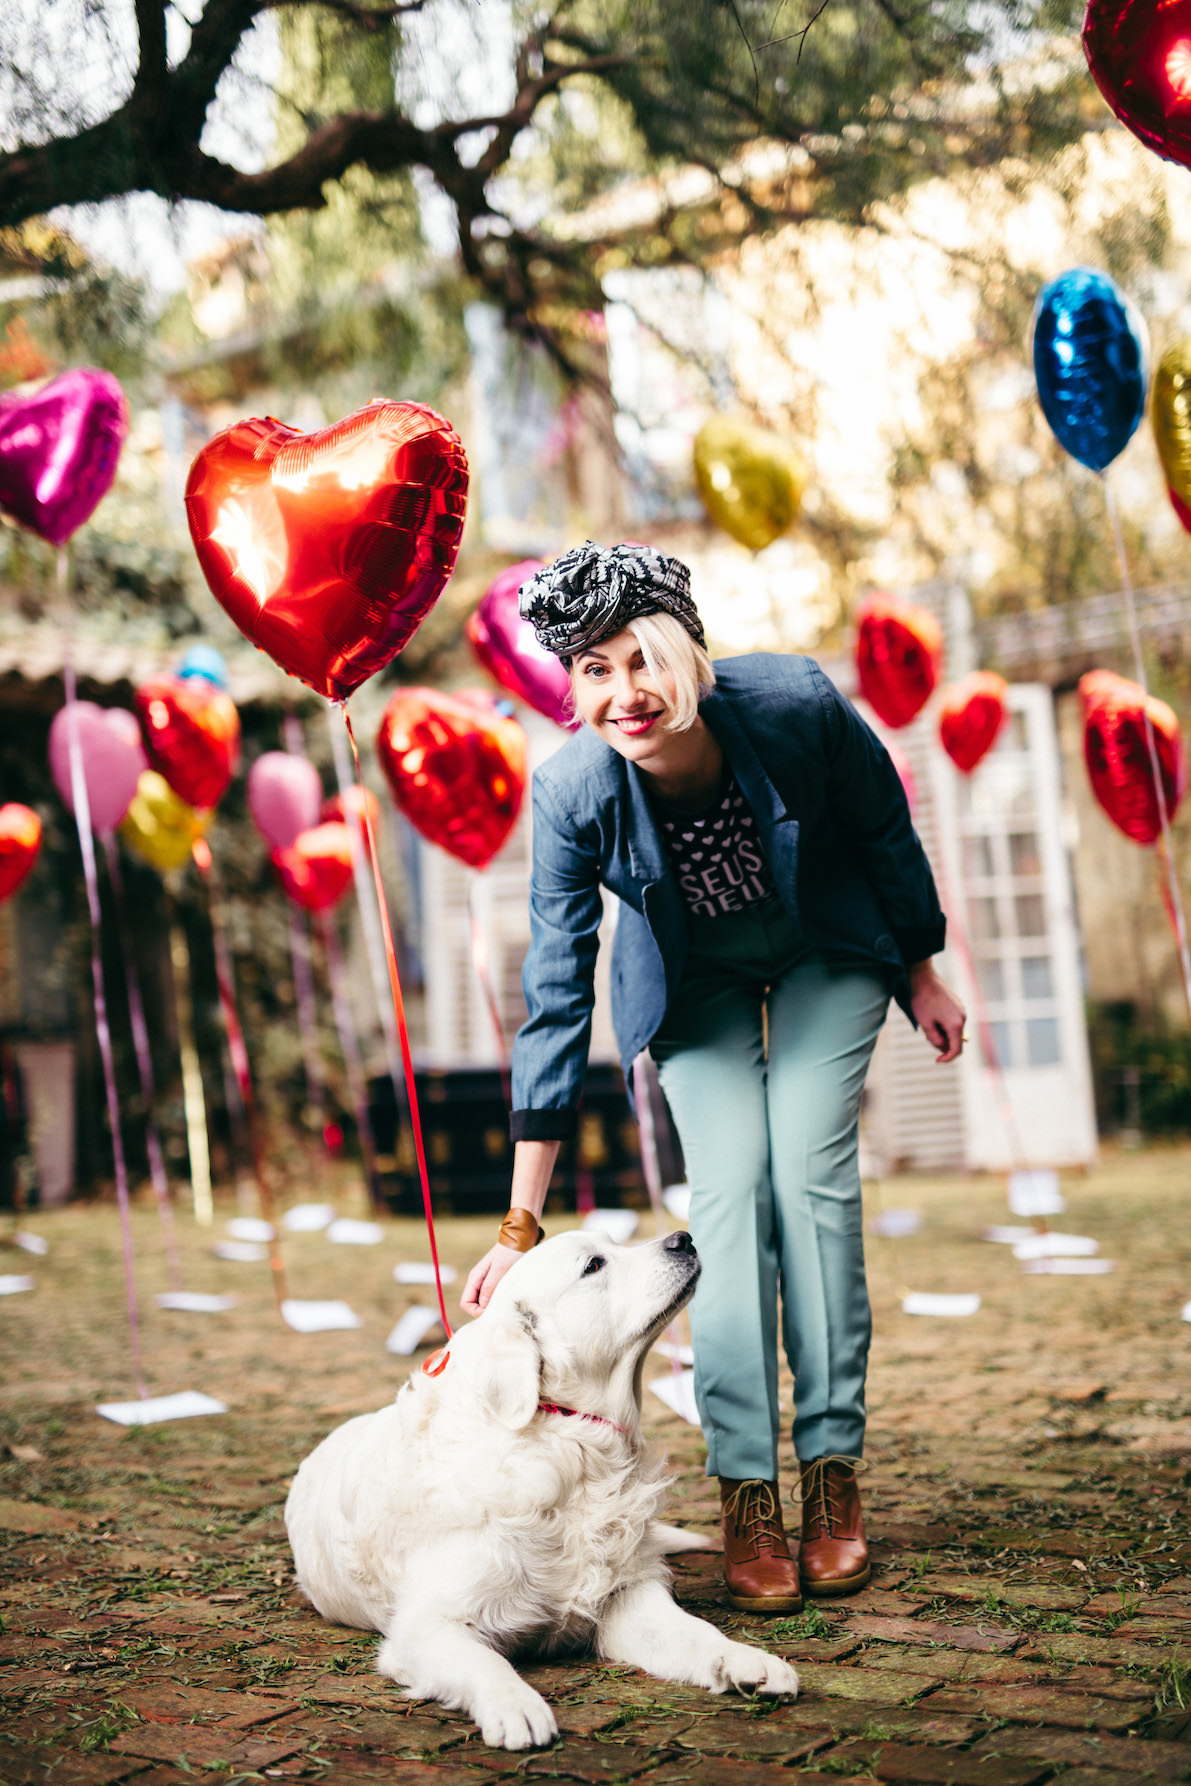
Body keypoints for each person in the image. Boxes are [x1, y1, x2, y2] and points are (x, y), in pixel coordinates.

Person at [463, 541, 965, 1612]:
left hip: (827, 947)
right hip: (696, 983)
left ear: (687, 652)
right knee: (729, 1202)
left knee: (810, 1180)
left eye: (641, 659)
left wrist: (921, 966)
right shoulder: (572, 793)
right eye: (594, 671)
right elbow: (555, 990)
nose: (625, 694)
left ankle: (830, 1473)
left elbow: (881, 826)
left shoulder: (792, 705)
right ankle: (747, 1490)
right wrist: (518, 1224)